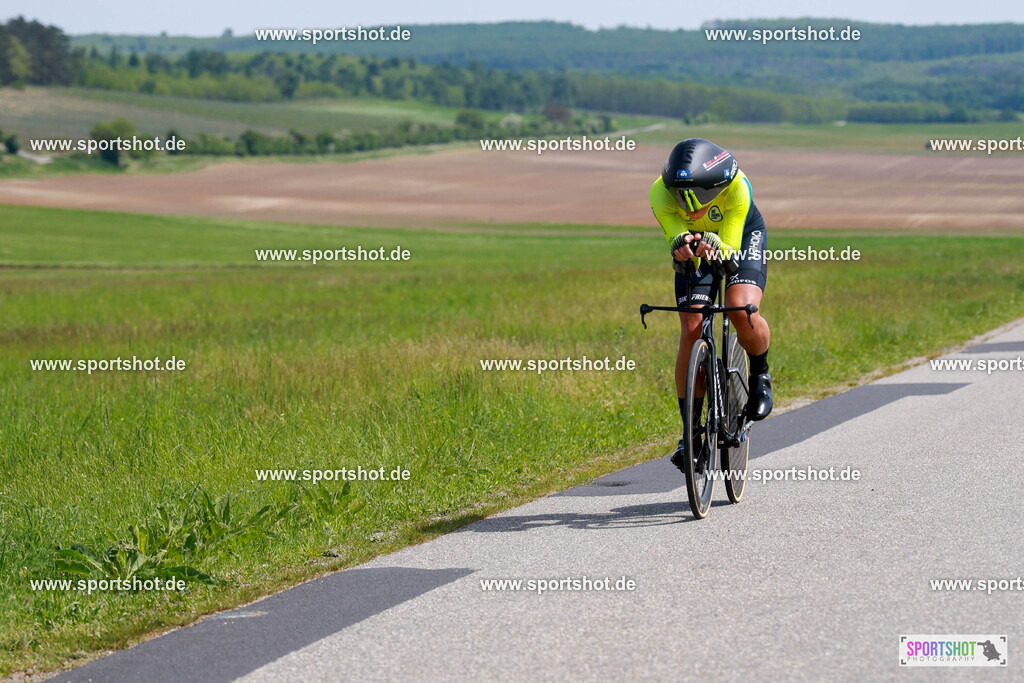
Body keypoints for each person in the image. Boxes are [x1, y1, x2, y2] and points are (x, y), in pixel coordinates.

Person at [649, 138, 773, 472]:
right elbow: (676, 240)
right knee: (691, 327)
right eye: (681, 197)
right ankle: (691, 435)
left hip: (741, 238)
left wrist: (719, 248)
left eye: (701, 198)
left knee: (739, 308)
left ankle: (760, 371)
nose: (690, 207)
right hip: (698, 246)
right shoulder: (658, 192)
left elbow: (729, 250)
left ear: (719, 186)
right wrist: (681, 247)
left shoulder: (738, 189)